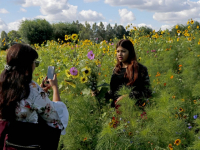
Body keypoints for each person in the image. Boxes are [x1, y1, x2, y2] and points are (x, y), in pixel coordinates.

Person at [0, 44, 69, 149]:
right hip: (28, 145)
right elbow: (55, 120)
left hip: (6, 143)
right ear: (27, 67)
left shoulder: (2, 84)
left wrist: (40, 93)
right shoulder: (31, 89)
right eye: (35, 63)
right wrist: (55, 89)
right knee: (59, 111)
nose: (35, 67)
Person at [96, 39, 152, 115]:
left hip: (134, 111)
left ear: (130, 52)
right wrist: (99, 94)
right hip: (116, 111)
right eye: (118, 51)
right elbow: (113, 92)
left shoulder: (140, 69)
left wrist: (128, 96)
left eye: (123, 51)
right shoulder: (116, 70)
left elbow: (147, 91)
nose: (120, 54)